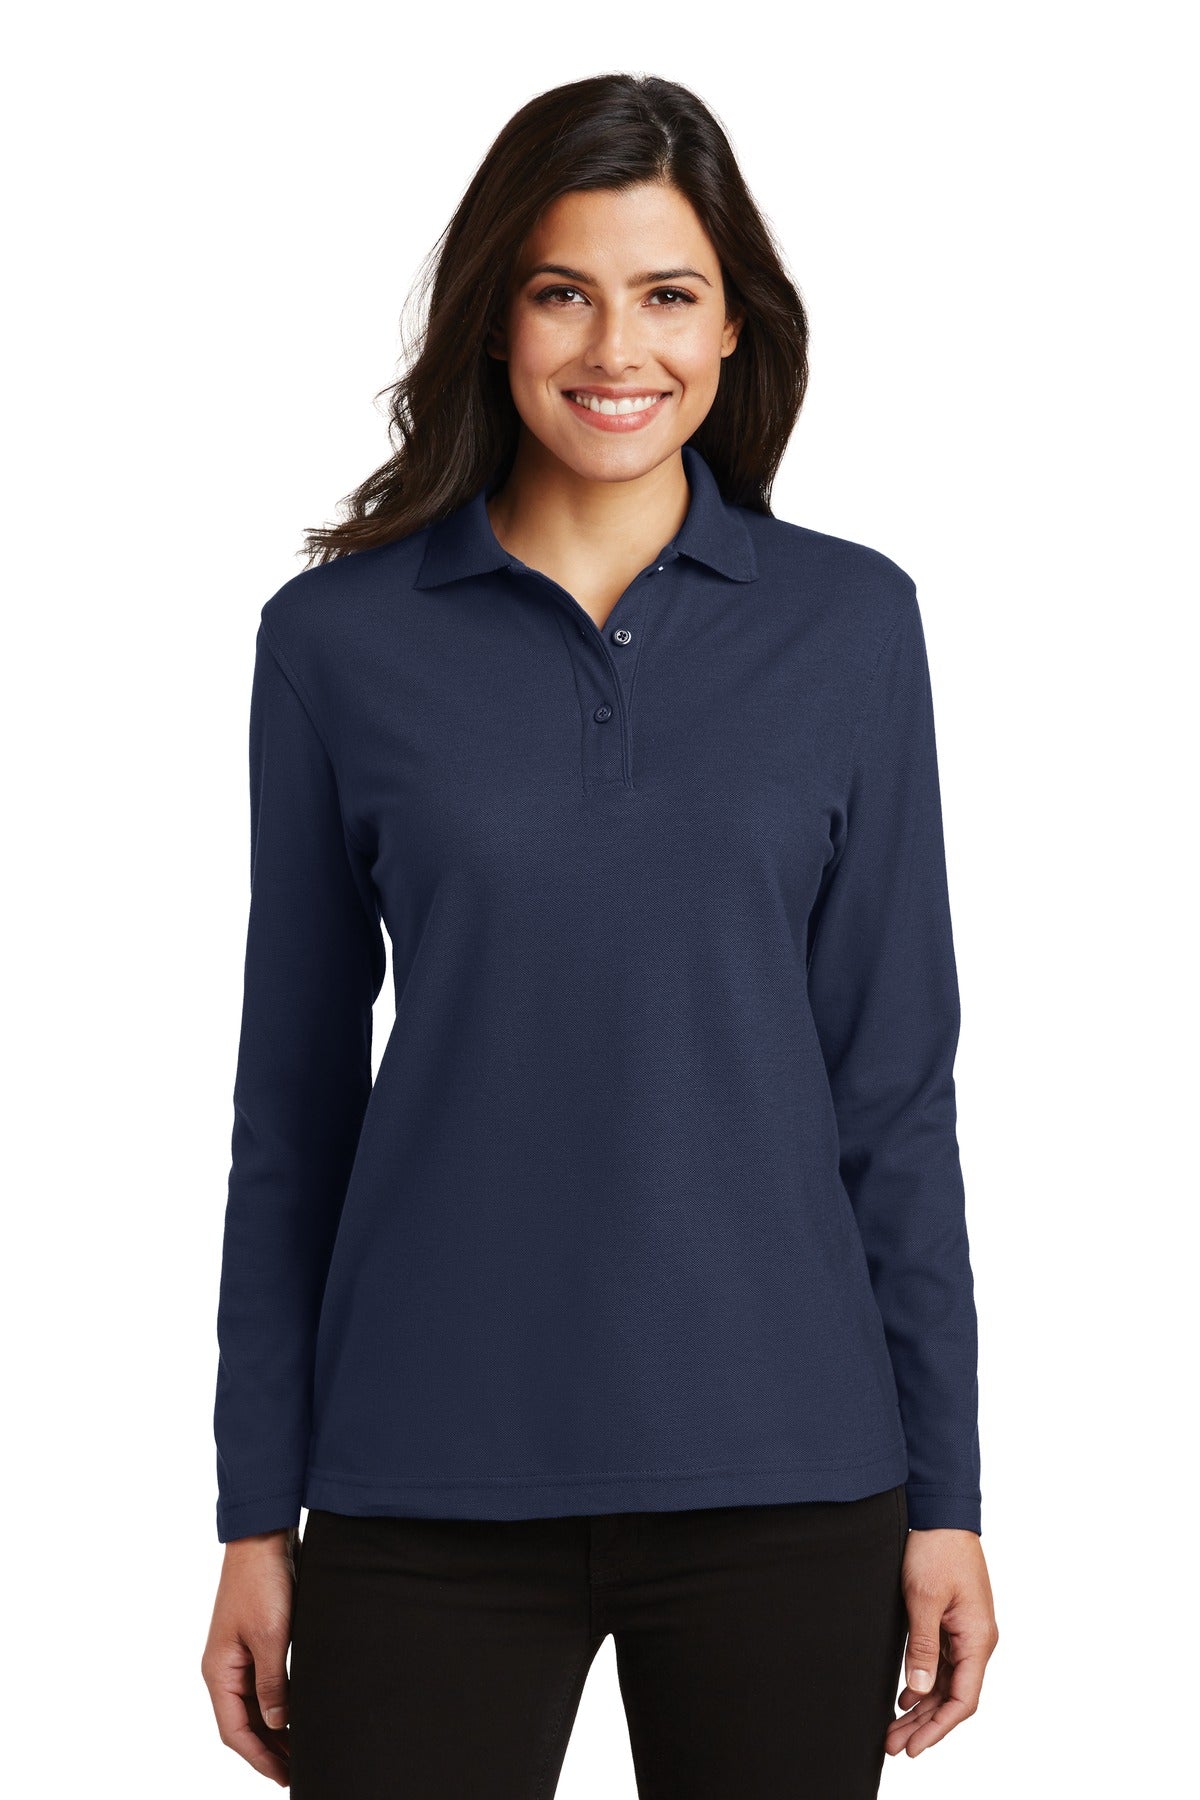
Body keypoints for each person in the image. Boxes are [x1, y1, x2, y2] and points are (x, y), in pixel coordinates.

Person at [201, 71, 999, 1799]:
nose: (616, 347)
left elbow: (894, 1094)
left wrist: (948, 1496)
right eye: (563, 290)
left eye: (668, 294)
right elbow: (293, 1110)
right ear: (494, 318)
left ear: (732, 329)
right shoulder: (335, 644)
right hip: (426, 1469)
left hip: (791, 1475)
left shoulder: (852, 626)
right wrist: (255, 1513)